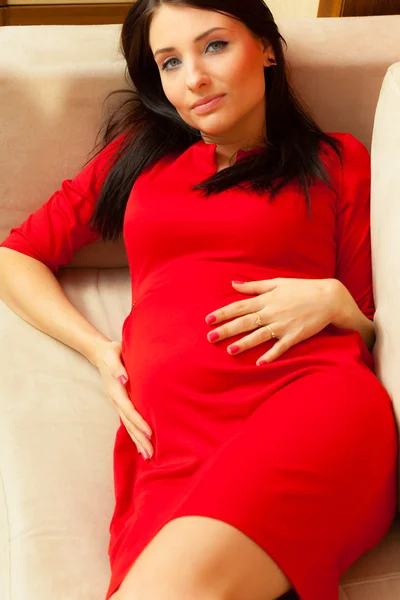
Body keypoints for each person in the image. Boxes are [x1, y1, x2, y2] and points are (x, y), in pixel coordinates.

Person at [0, 0, 398, 599]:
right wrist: (99, 350)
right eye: (169, 61)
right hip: (173, 445)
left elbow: (370, 329)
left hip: (308, 403)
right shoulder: (137, 160)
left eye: (214, 46)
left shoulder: (334, 161)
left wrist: (337, 302)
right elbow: (16, 255)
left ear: (266, 47)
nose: (194, 78)